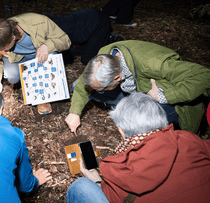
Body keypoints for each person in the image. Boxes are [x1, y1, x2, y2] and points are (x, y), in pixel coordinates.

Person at [61, 92, 210, 203]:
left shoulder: (121, 171)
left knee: (82, 188)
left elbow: (111, 197)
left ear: (121, 131)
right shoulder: (188, 139)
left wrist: (97, 180)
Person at [65, 40, 210, 134]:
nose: (98, 92)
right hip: (134, 90)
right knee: (82, 85)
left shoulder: (153, 63)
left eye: (102, 88)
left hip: (172, 99)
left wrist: (162, 96)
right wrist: (75, 112)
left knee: (136, 122)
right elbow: (83, 86)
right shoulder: (103, 59)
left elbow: (204, 75)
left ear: (117, 77)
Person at [0, 13, 71, 114]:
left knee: (52, 55)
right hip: (18, 57)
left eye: (3, 48)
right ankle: (23, 80)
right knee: (12, 76)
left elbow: (66, 40)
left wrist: (47, 46)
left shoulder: (40, 22)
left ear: (13, 38)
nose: (0, 50)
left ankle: (43, 98)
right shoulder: (0, 34)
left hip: (41, 55)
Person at [46, 8, 124, 66]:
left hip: (99, 24)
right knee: (73, 50)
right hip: (89, 20)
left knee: (87, 60)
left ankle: (112, 41)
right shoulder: (47, 24)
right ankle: (105, 39)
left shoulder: (57, 32)